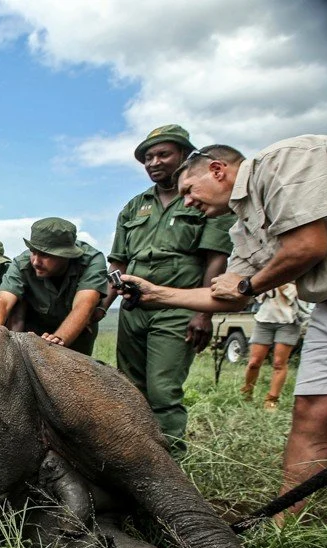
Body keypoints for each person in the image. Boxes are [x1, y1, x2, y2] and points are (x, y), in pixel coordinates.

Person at [124, 136, 327, 521]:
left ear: (217, 170)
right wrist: (157, 294)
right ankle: (288, 523)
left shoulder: (281, 161)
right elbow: (229, 297)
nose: (187, 201)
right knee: (313, 410)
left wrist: (246, 285)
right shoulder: (244, 226)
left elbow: (308, 246)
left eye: (189, 190)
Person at [100, 125, 234, 452]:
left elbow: (215, 259)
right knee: (129, 388)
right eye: (148, 157)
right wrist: (102, 307)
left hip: (178, 309)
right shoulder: (134, 206)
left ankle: (171, 463)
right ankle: (134, 456)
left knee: (162, 391)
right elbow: (118, 263)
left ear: (185, 156)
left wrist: (203, 314)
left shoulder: (206, 199)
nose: (154, 162)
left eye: (163, 154)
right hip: (134, 310)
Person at [0, 217, 108, 355]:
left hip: (76, 329)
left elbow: (84, 305)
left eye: (45, 255)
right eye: (33, 251)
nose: (36, 262)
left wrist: (58, 339)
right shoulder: (22, 263)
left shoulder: (92, 260)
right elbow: (3, 300)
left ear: (66, 255)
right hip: (35, 330)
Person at [242, 283, 303, 410]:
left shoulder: (298, 276)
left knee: (279, 363)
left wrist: (283, 283)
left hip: (289, 322)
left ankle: (272, 399)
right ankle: (247, 393)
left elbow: (297, 297)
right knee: (254, 362)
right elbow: (257, 295)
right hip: (264, 320)